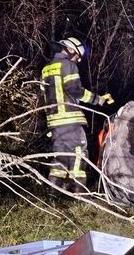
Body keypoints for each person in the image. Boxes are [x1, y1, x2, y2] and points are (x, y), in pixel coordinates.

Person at [40, 37, 114, 193]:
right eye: (78, 56)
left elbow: (42, 96)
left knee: (60, 156)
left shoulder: (46, 69)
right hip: (70, 120)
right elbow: (75, 90)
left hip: (54, 123)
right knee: (79, 154)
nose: (78, 60)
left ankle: (52, 193)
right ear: (71, 50)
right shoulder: (68, 65)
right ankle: (79, 193)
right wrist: (98, 100)